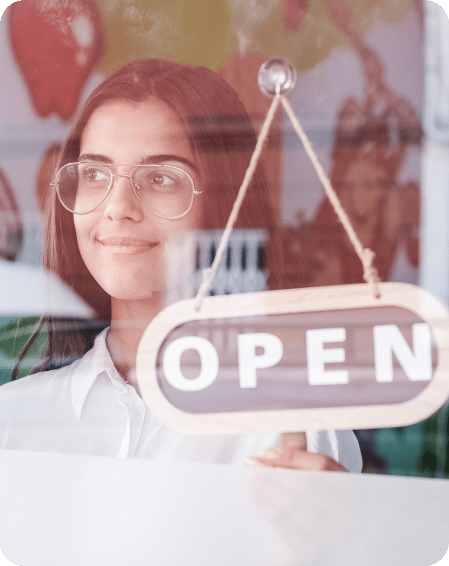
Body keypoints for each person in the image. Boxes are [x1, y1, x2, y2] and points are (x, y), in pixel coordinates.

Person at [0, 59, 361, 472]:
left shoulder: (292, 428)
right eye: (95, 173)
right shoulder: (12, 423)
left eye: (161, 179)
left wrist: (329, 530)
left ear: (224, 204)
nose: (118, 208)